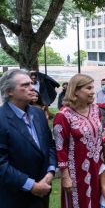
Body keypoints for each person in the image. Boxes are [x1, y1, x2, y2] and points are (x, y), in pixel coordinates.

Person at [0, 69, 57, 208]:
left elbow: (50, 144)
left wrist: (50, 171)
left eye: (31, 83)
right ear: (9, 91)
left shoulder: (38, 113)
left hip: (43, 192)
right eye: (25, 85)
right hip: (15, 197)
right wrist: (32, 186)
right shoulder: (1, 118)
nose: (32, 88)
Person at [53, 74, 103, 208]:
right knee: (80, 202)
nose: (93, 91)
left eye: (93, 87)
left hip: (98, 166)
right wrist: (65, 175)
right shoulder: (63, 115)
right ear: (75, 90)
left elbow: (98, 136)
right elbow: (60, 147)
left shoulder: (96, 109)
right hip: (77, 170)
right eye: (89, 88)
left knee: (99, 199)